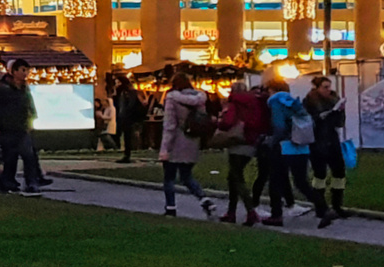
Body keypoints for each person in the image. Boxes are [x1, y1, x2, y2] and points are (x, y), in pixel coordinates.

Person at [261, 75, 334, 227]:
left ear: (272, 90)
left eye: (268, 91)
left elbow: (279, 126)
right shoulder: (295, 103)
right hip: (302, 147)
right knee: (301, 182)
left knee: (275, 181)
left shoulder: (276, 102)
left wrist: (271, 141)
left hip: (284, 147)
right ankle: (324, 208)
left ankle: (276, 216)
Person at [158, 74, 217, 218]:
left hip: (176, 140)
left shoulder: (172, 98)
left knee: (169, 177)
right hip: (192, 140)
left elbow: (170, 125)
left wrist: (164, 148)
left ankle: (170, 208)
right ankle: (204, 199)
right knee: (186, 176)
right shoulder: (200, 98)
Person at [0, 59, 46, 195]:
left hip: (22, 127)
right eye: (22, 70)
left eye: (27, 70)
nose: (25, 74)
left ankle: (31, 183)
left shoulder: (24, 88)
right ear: (14, 72)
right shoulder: (2, 88)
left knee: (28, 155)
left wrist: (32, 117)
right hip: (6, 127)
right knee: (9, 157)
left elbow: (29, 104)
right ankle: (7, 183)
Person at [217, 79, 268, 226]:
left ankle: (250, 211)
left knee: (236, 177)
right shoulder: (256, 102)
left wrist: (218, 123)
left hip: (237, 141)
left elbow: (228, 122)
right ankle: (231, 212)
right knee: (233, 176)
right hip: (252, 141)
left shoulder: (234, 103)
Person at [306, 76, 350, 219]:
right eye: (325, 87)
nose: (328, 90)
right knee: (320, 175)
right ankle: (321, 207)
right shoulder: (310, 101)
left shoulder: (333, 100)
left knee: (339, 173)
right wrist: (319, 117)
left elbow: (339, 124)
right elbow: (306, 121)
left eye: (329, 86)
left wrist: (340, 111)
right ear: (317, 88)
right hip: (317, 142)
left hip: (332, 140)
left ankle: (337, 205)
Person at [114, 77, 146, 163]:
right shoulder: (124, 92)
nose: (117, 84)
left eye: (118, 82)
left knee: (128, 136)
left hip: (128, 117)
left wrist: (126, 114)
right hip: (126, 117)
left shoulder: (129, 93)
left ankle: (127, 154)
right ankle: (127, 154)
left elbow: (129, 105)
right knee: (126, 136)